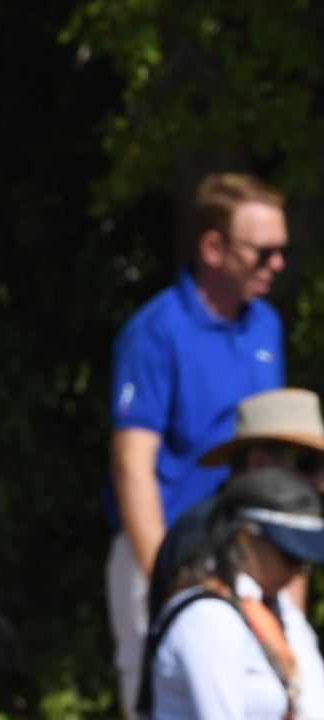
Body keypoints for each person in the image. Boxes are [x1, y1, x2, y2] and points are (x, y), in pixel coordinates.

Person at [107, 172, 288, 717]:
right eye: (264, 252)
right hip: (169, 548)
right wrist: (166, 575)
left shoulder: (265, 326)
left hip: (250, 552)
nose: (277, 264)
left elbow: (276, 449)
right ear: (214, 248)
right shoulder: (156, 330)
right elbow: (132, 464)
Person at [145, 387, 324, 719]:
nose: (321, 483)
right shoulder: (201, 535)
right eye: (309, 465)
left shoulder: (259, 542)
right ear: (257, 461)